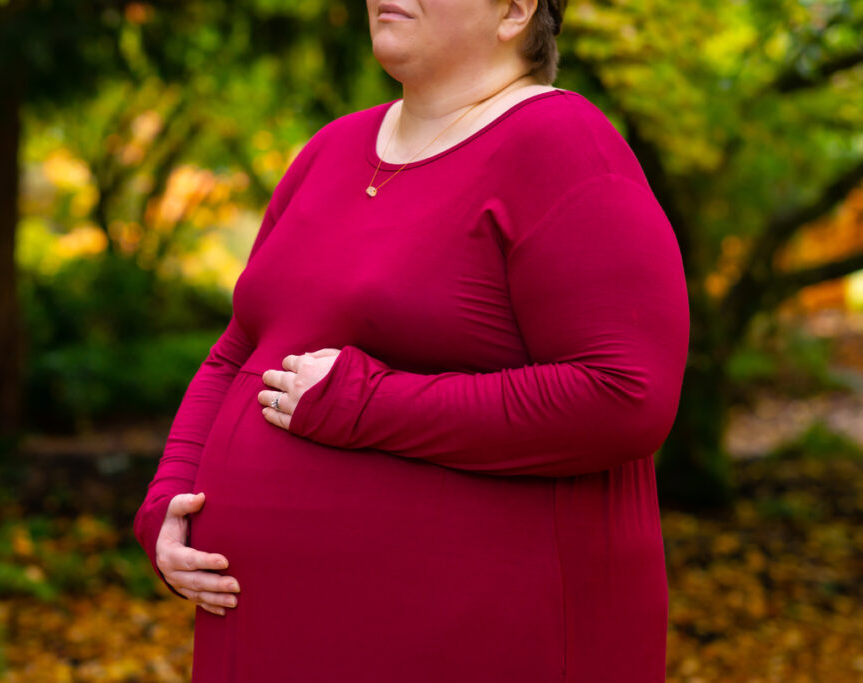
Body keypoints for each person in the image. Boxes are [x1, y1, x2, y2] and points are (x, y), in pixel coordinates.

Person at [134, 0, 690, 680]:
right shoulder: (332, 148)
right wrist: (169, 499)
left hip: (474, 639)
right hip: (268, 633)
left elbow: (624, 394)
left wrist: (371, 405)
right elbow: (239, 349)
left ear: (515, 11)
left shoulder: (566, 147)